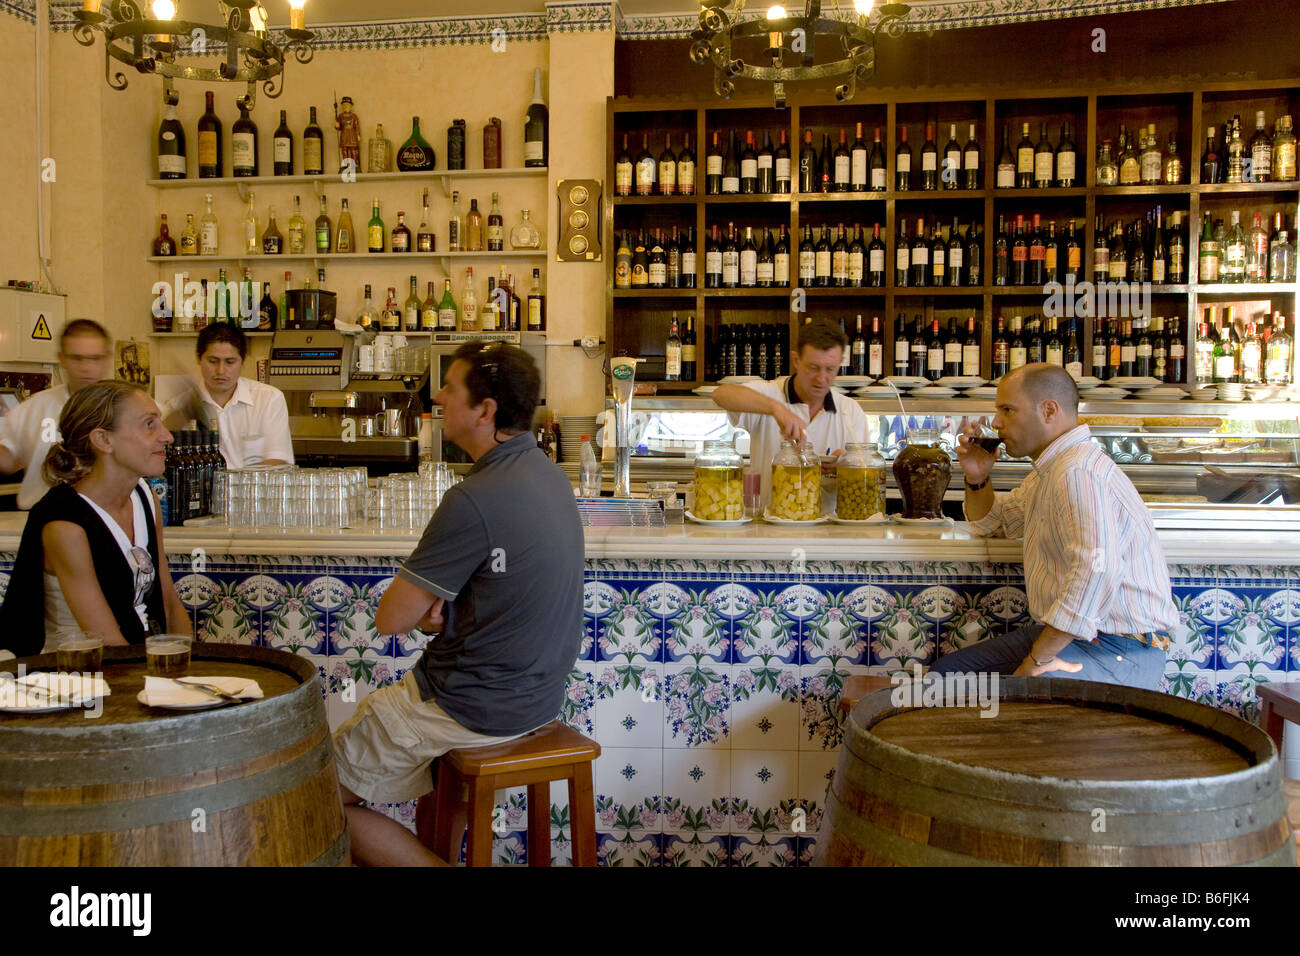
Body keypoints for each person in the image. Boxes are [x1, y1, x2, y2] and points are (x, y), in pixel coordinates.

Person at [333, 343, 584, 866]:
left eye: (450, 387)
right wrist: (442, 610)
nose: (438, 396)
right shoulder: (550, 476)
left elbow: (391, 620)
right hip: (535, 701)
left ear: (485, 410)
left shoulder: (474, 497)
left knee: (308, 796)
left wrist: (428, 612)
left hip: (469, 706)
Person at [930, 363, 1177, 690]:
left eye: (1008, 410)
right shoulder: (1052, 470)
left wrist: (1037, 661)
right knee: (945, 678)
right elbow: (994, 522)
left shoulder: (1077, 473)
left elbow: (1095, 571)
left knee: (1017, 701)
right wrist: (977, 477)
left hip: (1124, 647)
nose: (996, 422)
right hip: (1082, 638)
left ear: (1049, 411)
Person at [0, 382, 190, 657]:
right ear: (103, 440)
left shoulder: (145, 496)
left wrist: (189, 667)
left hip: (135, 663)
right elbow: (108, 645)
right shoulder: (65, 526)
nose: (167, 436)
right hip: (76, 679)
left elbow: (169, 602)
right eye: (150, 424)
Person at [711, 317, 869, 510]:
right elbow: (722, 394)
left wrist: (844, 468)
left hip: (829, 533)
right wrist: (776, 409)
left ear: (841, 363)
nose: (821, 378)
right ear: (796, 360)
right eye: (813, 367)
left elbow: (865, 477)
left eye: (830, 369)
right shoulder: (771, 393)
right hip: (770, 529)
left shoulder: (851, 411)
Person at [0, 319, 112, 510]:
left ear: (107, 358)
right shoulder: (36, 407)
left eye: (94, 358)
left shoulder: (125, 408)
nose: (86, 367)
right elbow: (7, 460)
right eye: (77, 358)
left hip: (105, 519)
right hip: (42, 516)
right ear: (62, 359)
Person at [181, 324, 294, 468]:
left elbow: (278, 461)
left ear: (243, 361)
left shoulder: (269, 399)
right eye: (213, 361)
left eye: (230, 362)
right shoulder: (183, 404)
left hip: (254, 489)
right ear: (199, 358)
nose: (220, 370)